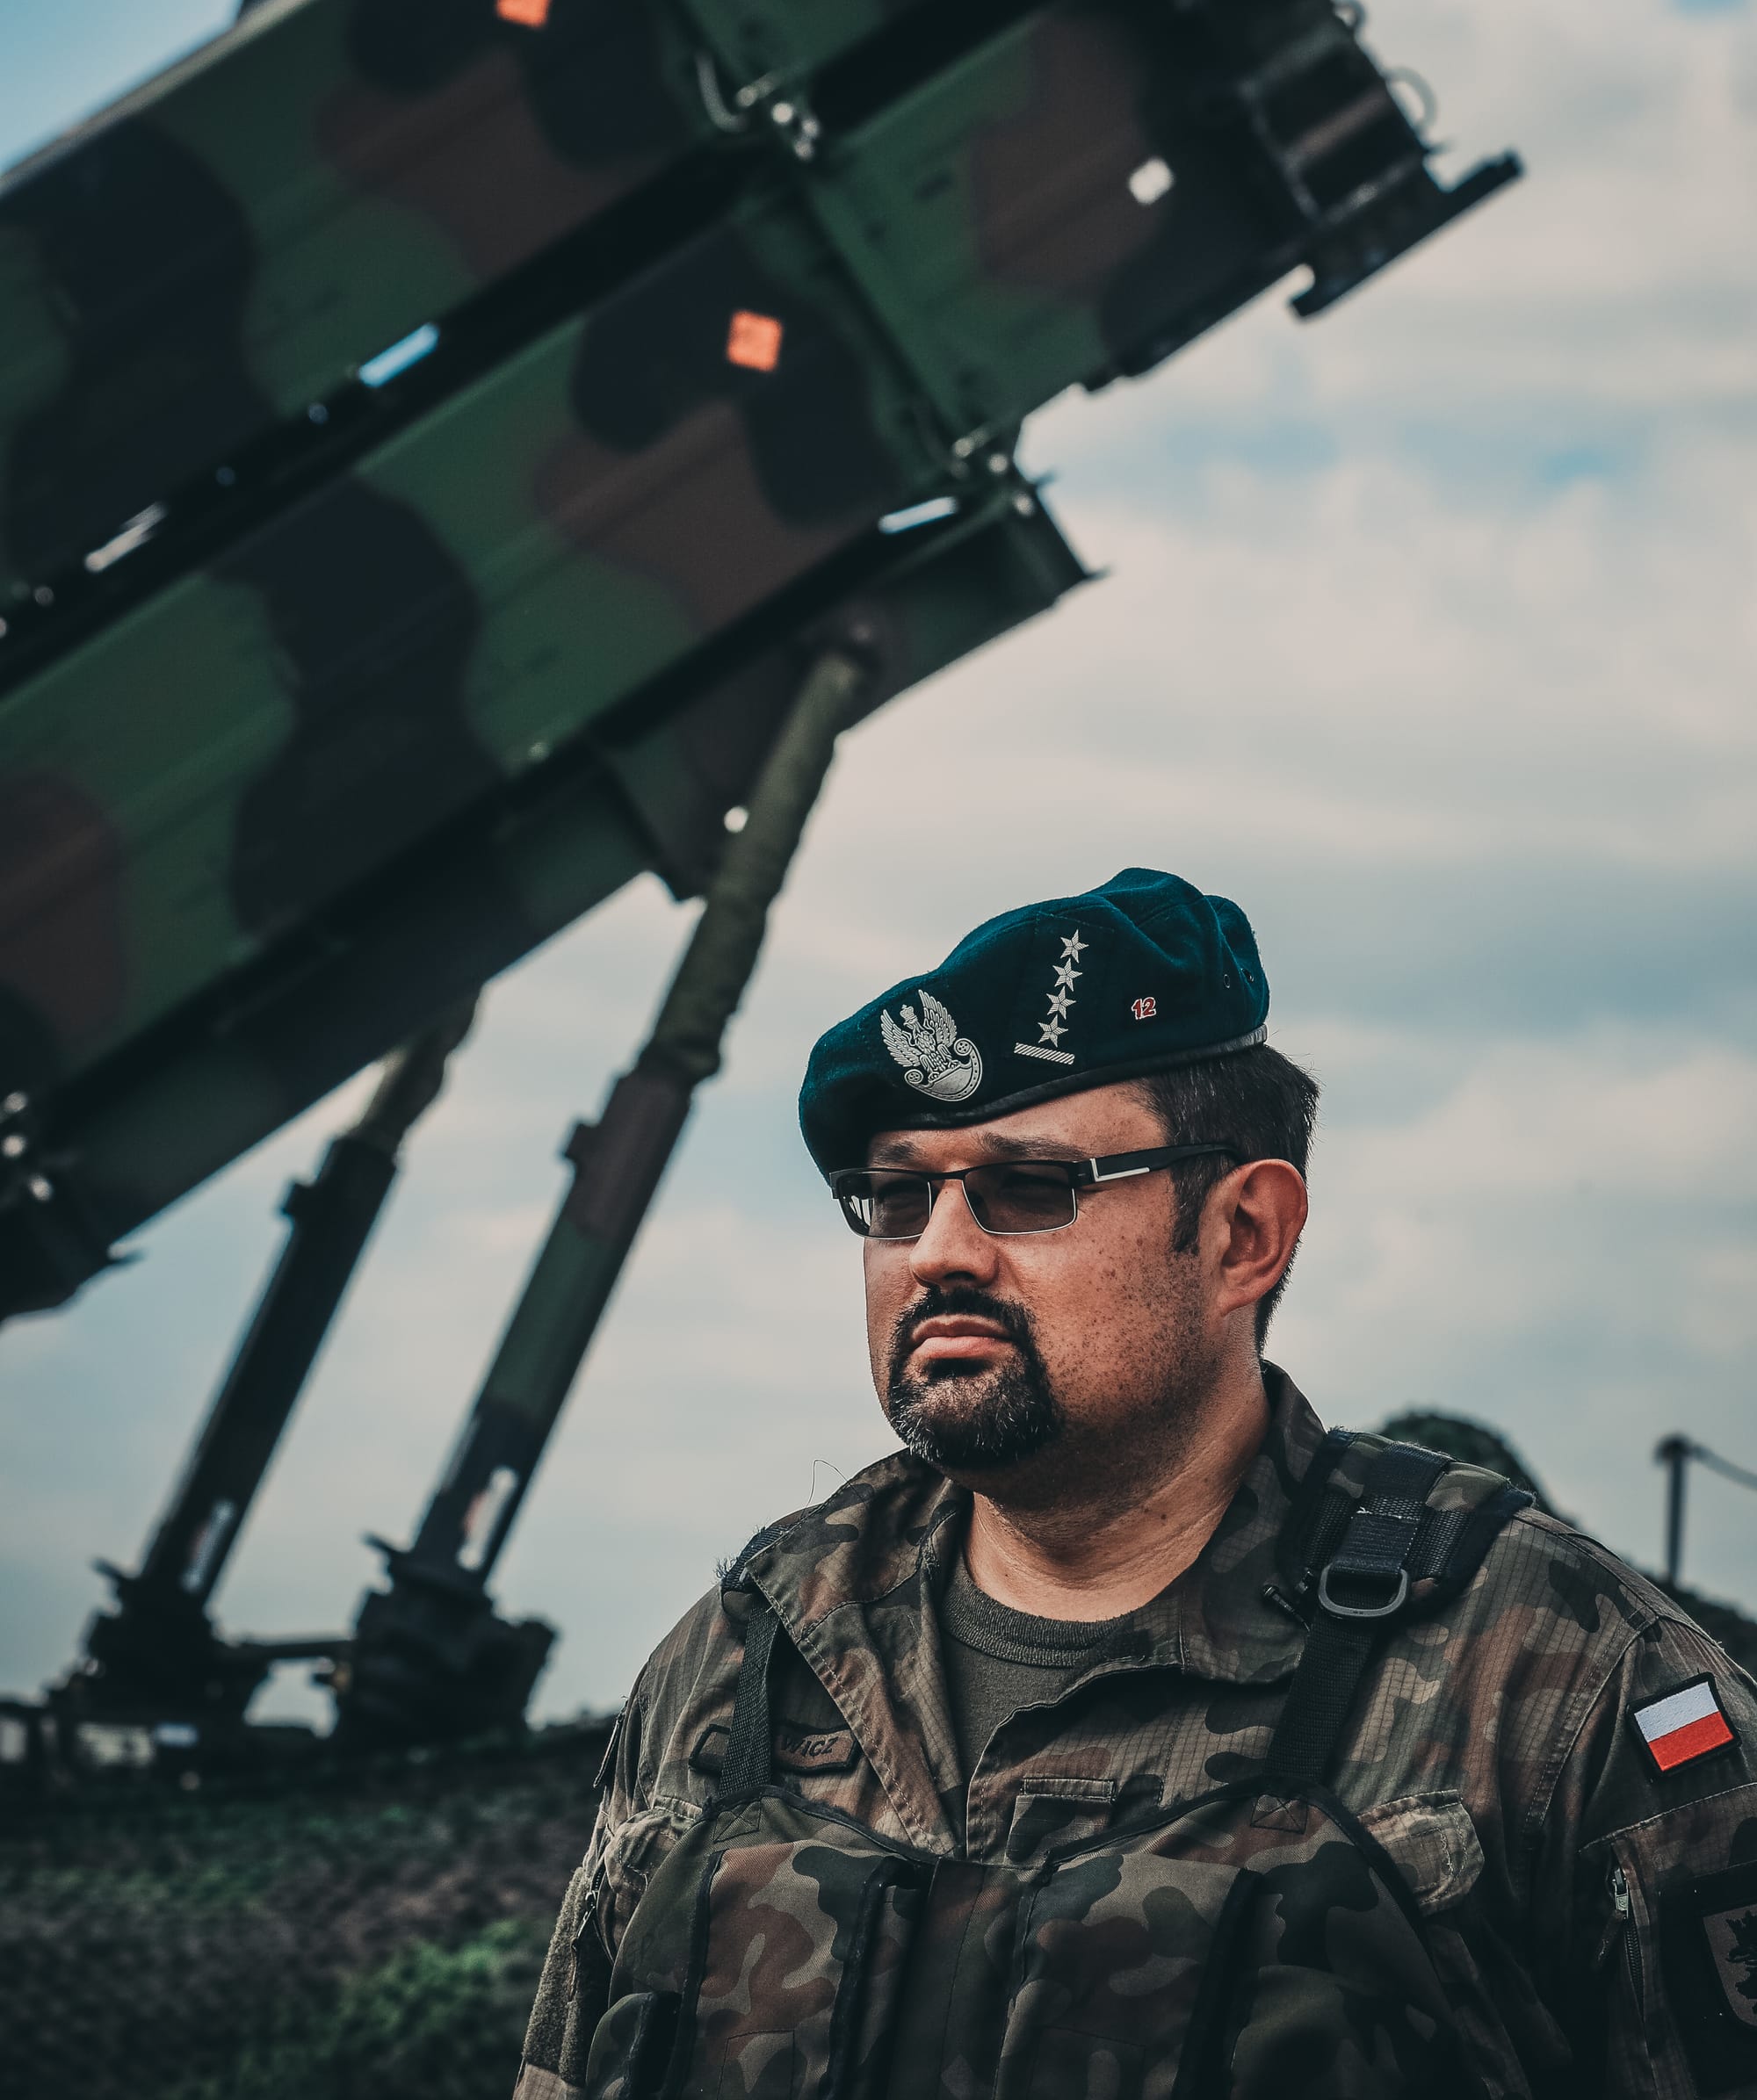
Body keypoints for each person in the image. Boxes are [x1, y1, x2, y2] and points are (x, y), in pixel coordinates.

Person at [517, 869, 1757, 2099]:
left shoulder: (1560, 1683)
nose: (940, 1251)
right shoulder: (748, 1660)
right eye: (897, 1199)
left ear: (1242, 1236)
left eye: (1028, 1187)